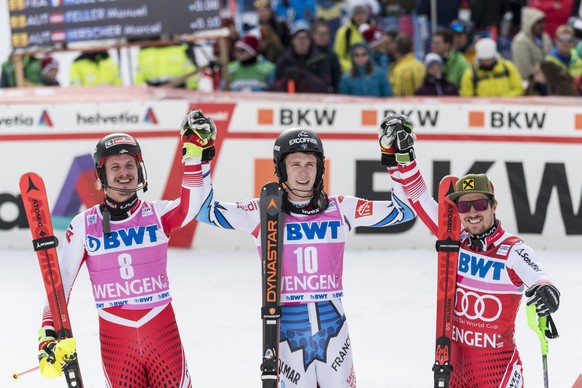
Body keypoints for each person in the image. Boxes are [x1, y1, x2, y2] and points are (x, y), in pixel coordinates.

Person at [187, 109, 416, 387]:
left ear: (321, 168)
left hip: (334, 329)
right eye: (295, 164)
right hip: (286, 332)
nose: (304, 172)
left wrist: (397, 158)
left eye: (310, 163)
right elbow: (201, 211)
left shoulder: (341, 208)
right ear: (281, 168)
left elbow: (403, 211)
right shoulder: (261, 212)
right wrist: (199, 154)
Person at [379, 114, 561, 388]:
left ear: (493, 206)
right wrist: (403, 154)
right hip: (454, 363)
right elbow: (418, 198)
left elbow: (538, 275)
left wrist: (546, 289)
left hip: (496, 368)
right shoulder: (453, 239)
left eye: (479, 205)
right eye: (464, 207)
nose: (472, 213)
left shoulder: (512, 250)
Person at [36, 124, 215, 386]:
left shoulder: (157, 213)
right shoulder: (84, 224)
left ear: (140, 171)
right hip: (116, 343)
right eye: (115, 166)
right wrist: (48, 333)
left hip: (162, 333)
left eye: (130, 165)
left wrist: (194, 154)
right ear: (101, 174)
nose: (124, 173)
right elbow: (60, 284)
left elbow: (191, 206)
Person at [273, 21, 334, 93]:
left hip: (314, 100)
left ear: (310, 40)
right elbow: (275, 87)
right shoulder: (284, 60)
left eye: (305, 38)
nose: (302, 41)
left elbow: (324, 87)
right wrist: (287, 79)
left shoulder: (320, 59)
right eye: (299, 38)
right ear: (293, 40)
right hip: (289, 100)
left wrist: (304, 74)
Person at [511, 7, 553, 82]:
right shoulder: (520, 41)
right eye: (538, 22)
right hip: (530, 82)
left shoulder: (545, 37)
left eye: (543, 22)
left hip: (548, 79)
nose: (542, 25)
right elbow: (524, 70)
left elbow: (552, 58)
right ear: (530, 23)